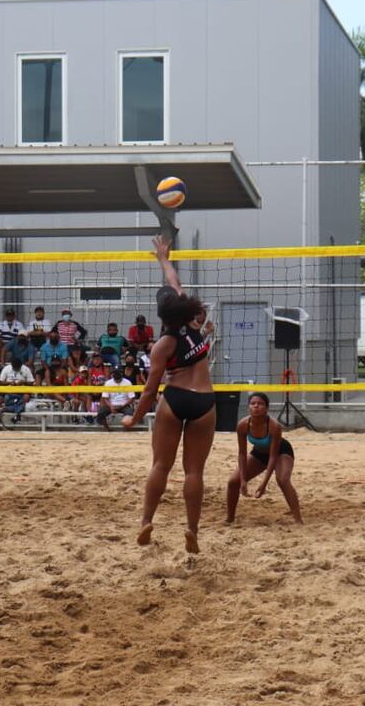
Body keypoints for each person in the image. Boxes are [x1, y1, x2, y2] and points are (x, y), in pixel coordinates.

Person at [122, 235, 216, 554]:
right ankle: (191, 530)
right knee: (194, 471)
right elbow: (174, 282)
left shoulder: (162, 345)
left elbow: (149, 392)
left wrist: (134, 418)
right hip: (204, 401)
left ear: (162, 316)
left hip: (175, 400)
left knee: (161, 465)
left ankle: (146, 521)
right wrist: (164, 259)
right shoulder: (193, 321)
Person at [226, 393, 302, 525]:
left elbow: (272, 457)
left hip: (281, 452)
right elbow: (242, 454)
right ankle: (230, 518)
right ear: (249, 407)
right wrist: (243, 480)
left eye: (260, 404)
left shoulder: (274, 426)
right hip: (259, 453)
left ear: (266, 408)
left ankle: (298, 519)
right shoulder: (243, 425)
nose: (256, 406)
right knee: (233, 482)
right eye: (253, 403)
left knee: (283, 480)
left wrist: (264, 484)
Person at [0, 356, 34, 423]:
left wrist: (23, 382)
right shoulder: (6, 369)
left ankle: (18, 414)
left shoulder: (26, 369)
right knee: (0, 398)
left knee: (26, 397)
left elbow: (31, 382)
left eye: (18, 367)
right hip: (9, 389)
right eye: (15, 367)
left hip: (22, 389)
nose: (16, 369)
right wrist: (9, 382)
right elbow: (1, 381)